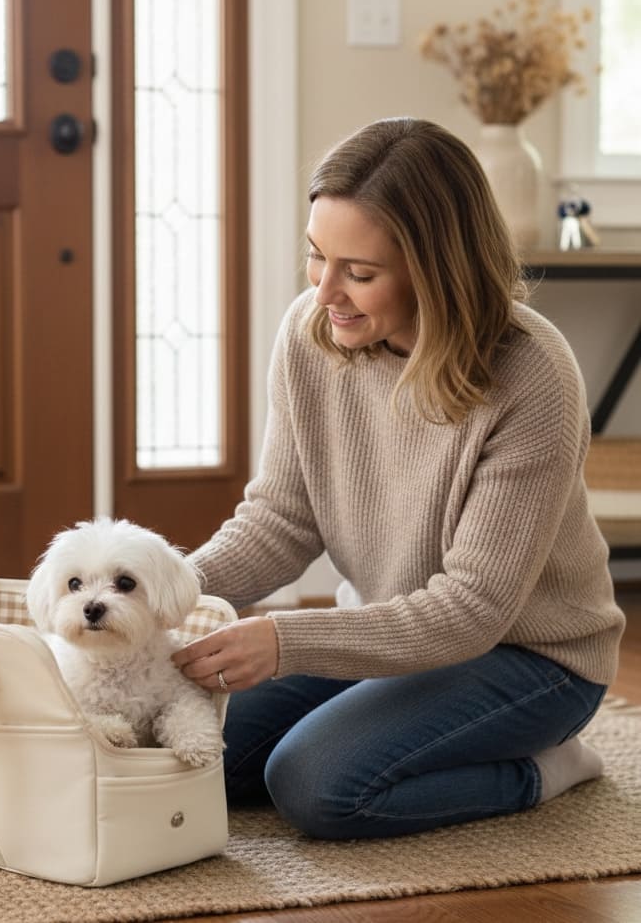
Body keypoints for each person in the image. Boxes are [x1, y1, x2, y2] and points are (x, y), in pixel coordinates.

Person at [172, 117, 625, 840]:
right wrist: (158, 591)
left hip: (531, 661)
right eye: (318, 258)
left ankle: (546, 767)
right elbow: (281, 521)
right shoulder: (311, 334)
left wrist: (285, 640)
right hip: (393, 639)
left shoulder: (532, 375)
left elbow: (472, 610)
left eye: (360, 272)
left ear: (435, 267)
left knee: (315, 784)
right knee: (191, 754)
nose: (325, 293)